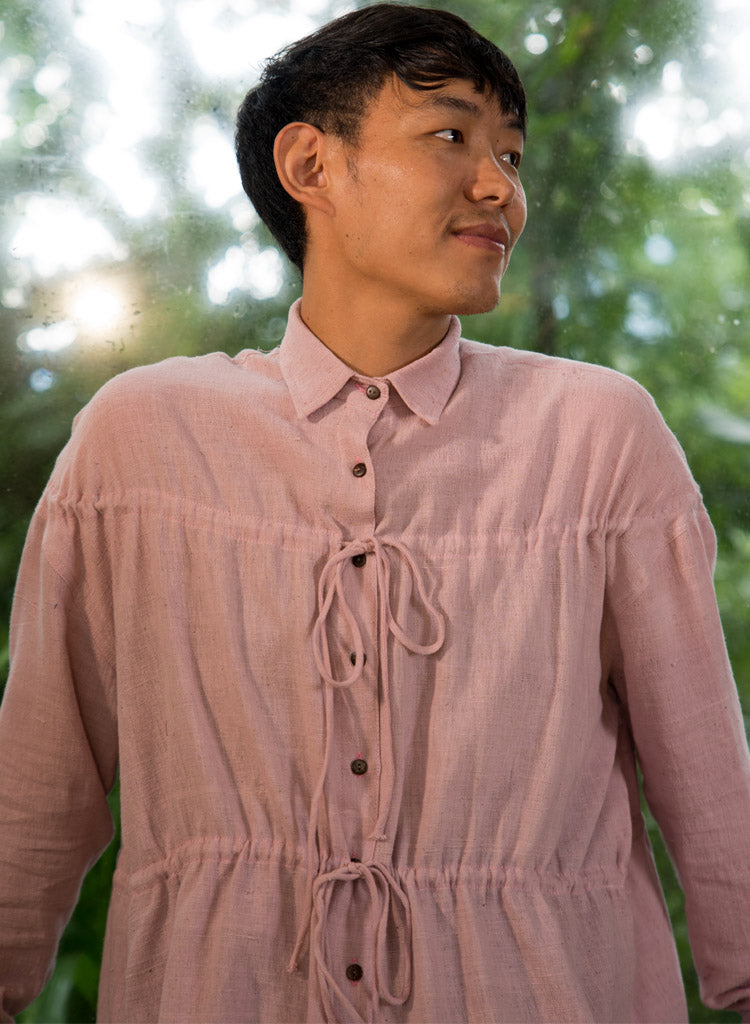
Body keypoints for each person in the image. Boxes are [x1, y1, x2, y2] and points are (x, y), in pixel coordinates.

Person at [1, 4, 749, 1022]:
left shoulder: (599, 435)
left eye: (512, 154)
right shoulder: (139, 444)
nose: (501, 187)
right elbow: (38, 785)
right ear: (311, 165)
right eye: (451, 135)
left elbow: (711, 788)